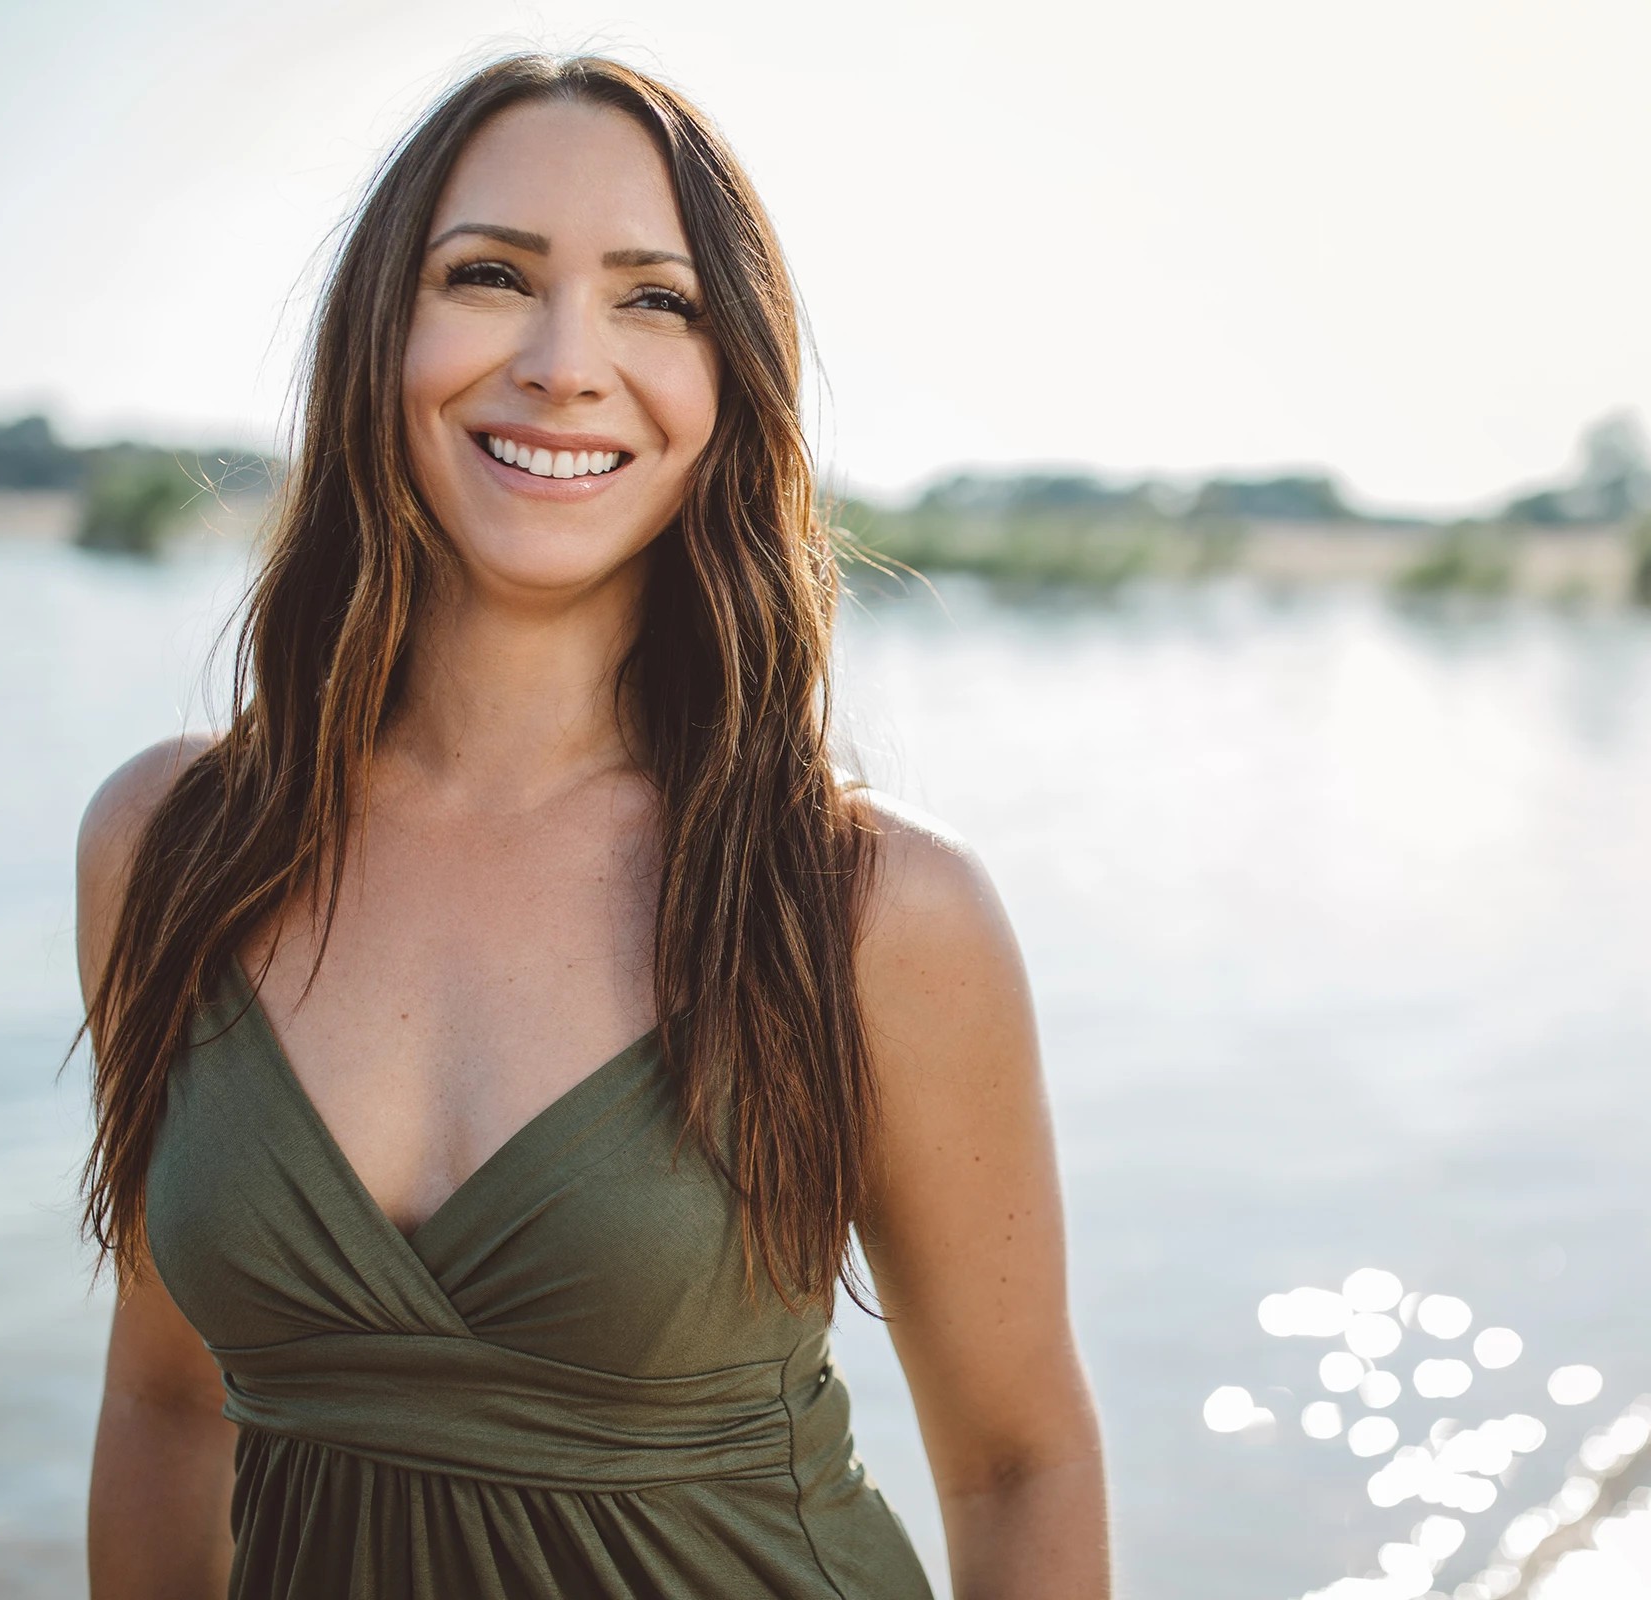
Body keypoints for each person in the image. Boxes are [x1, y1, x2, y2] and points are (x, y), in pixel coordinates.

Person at [74, 52, 1107, 1600]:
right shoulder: (173, 846)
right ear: (380, 333)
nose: (565, 364)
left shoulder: (872, 906)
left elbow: (1019, 1466)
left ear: (725, 382)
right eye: (488, 275)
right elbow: (164, 1404)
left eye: (655, 299)